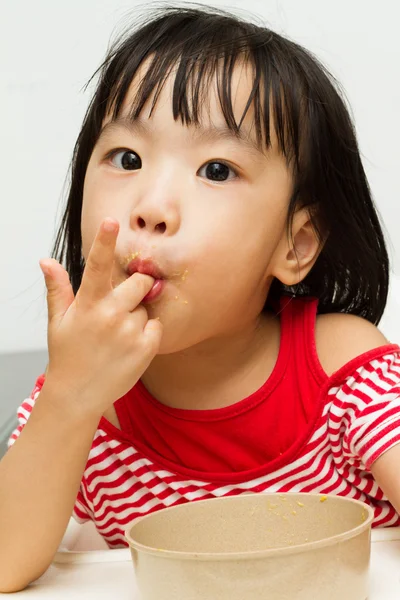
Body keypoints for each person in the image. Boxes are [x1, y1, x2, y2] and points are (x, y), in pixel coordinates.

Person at [1, 1, 400, 591]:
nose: (152, 209)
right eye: (127, 159)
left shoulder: (342, 370)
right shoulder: (84, 401)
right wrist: (70, 397)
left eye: (216, 170)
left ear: (295, 244)